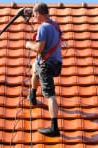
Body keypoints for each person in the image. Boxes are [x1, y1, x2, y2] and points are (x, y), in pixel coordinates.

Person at [25, 2, 62, 136]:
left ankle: (54, 127)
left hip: (48, 64)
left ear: (39, 14)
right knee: (35, 66)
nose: (34, 18)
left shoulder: (43, 28)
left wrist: (29, 45)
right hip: (56, 63)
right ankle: (33, 95)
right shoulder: (55, 25)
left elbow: (39, 48)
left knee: (50, 95)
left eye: (35, 15)